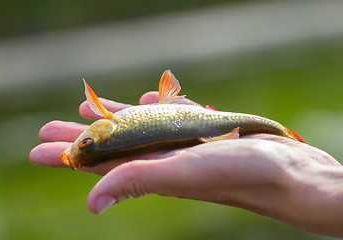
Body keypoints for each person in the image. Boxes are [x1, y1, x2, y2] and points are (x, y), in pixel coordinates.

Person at [29, 91, 343, 238]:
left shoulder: (106, 127)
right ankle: (281, 132)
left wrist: (308, 172)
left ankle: (281, 134)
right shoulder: (107, 127)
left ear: (101, 126)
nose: (80, 144)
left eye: (85, 144)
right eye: (84, 145)